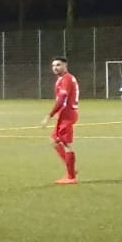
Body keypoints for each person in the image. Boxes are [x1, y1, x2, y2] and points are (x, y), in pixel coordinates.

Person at [43, 56, 80, 185]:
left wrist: (49, 115)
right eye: (53, 65)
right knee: (54, 141)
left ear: (65, 65)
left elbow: (62, 99)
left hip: (67, 114)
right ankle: (71, 169)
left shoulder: (67, 79)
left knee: (65, 144)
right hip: (65, 114)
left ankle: (71, 177)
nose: (55, 68)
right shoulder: (63, 78)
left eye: (58, 65)